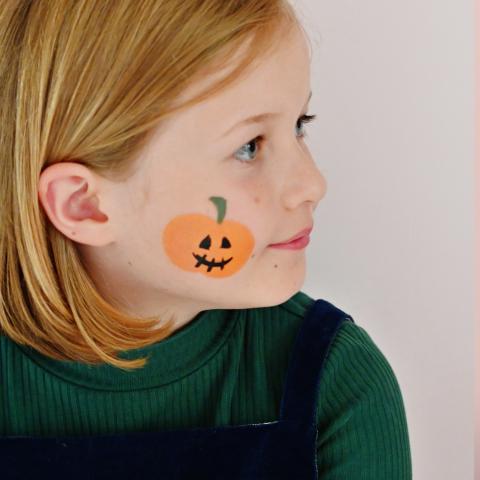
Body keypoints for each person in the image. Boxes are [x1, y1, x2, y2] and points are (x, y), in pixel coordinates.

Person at [0, 1, 412, 478]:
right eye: (248, 146)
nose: (312, 183)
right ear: (85, 205)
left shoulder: (336, 382)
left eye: (300, 125)